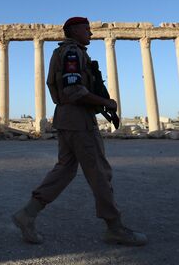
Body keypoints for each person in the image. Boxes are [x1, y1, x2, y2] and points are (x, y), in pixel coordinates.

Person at [11, 16, 147, 246]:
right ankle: (115, 227)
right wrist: (107, 102)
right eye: (87, 29)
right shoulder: (72, 53)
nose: (91, 34)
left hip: (66, 119)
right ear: (73, 31)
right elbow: (74, 90)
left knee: (64, 170)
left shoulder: (62, 53)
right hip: (79, 121)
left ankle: (27, 214)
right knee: (100, 173)